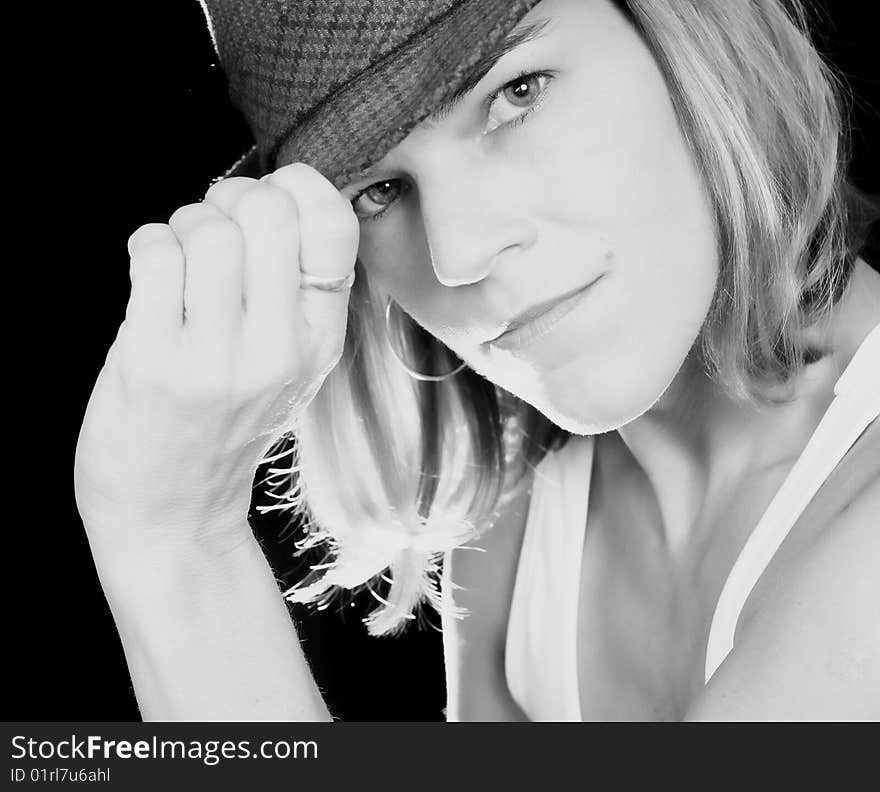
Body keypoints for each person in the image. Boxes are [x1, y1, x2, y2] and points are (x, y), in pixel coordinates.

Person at [73, 0, 879, 721]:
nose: (457, 253)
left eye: (516, 93)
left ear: (685, 31)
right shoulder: (522, 527)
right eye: (378, 190)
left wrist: (171, 541)